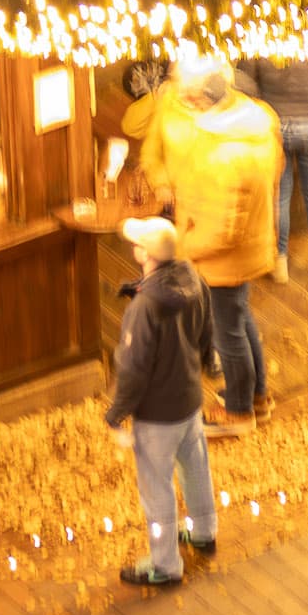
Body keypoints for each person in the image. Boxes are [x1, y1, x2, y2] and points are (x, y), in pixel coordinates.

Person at [122, 62, 277, 436]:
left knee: (229, 334)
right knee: (240, 321)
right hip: (245, 250)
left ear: (207, 98)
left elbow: (222, 230)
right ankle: (257, 395)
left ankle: (240, 412)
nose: (185, 100)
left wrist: (183, 249)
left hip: (224, 258)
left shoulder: (227, 153)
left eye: (191, 95)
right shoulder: (248, 124)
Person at [104, 218, 219, 589]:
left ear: (144, 254)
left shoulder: (144, 307)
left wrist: (116, 413)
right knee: (196, 467)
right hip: (189, 399)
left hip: (157, 415)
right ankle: (203, 530)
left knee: (156, 490)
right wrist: (208, 363)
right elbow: (206, 331)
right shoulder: (194, 280)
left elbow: (133, 369)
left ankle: (164, 563)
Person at [240, 55, 308, 282]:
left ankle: (278, 261)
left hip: (274, 124)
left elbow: (246, 80)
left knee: (278, 194)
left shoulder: (260, 30)